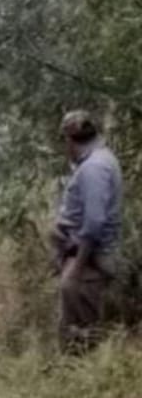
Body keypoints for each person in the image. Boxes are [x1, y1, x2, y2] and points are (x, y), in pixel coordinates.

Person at [50, 111, 122, 354]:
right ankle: (77, 369)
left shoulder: (93, 168)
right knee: (78, 324)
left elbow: (94, 223)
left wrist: (76, 268)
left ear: (69, 140)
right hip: (84, 257)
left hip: (87, 260)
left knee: (81, 331)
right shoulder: (100, 159)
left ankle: (81, 371)